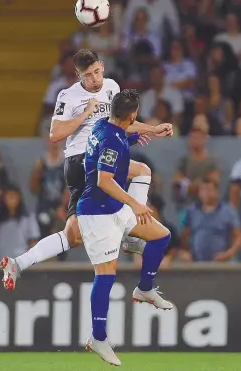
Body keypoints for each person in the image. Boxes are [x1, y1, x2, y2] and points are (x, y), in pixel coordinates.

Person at [0, 49, 173, 290]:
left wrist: (152, 129)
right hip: (81, 161)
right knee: (141, 172)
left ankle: (17, 264)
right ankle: (130, 231)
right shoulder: (68, 96)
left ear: (101, 66)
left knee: (73, 235)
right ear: (78, 75)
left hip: (100, 155)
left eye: (96, 72)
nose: (94, 79)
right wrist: (85, 113)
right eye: (88, 75)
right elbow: (55, 135)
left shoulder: (112, 86)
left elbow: (123, 121)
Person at [77, 90, 173, 365]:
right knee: (106, 274)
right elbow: (104, 180)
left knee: (161, 236)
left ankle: (144, 288)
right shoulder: (111, 142)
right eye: (135, 117)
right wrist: (136, 204)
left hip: (115, 208)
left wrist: (152, 130)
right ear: (131, 115)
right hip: (97, 214)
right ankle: (98, 337)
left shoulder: (105, 125)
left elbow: (127, 130)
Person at [180, 179, 241, 262]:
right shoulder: (191, 211)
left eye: (209, 190)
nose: (206, 193)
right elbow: (183, 236)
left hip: (222, 263)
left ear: (217, 192)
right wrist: (184, 252)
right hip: (196, 263)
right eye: (203, 190)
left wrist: (229, 254)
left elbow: (239, 237)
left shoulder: (228, 211)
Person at [0, 185, 40, 264]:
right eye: (10, 196)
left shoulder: (28, 217)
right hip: (2, 262)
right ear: (4, 199)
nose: (13, 199)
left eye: (15, 196)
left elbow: (33, 241)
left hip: (21, 261)